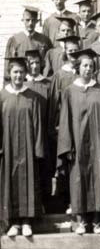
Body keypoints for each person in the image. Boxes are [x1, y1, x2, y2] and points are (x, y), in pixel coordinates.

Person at [57, 48, 100, 235]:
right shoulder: (69, 91)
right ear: (78, 68)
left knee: (97, 180)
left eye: (91, 66)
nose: (88, 69)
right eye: (84, 66)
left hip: (97, 144)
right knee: (78, 181)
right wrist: (67, 146)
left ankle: (97, 222)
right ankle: (81, 221)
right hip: (77, 144)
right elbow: (65, 120)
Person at [0, 56, 44, 237]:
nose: (18, 75)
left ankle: (27, 222)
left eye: (21, 72)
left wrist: (37, 148)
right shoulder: (2, 95)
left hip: (27, 148)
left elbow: (38, 124)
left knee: (28, 182)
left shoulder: (32, 96)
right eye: (15, 72)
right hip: (8, 148)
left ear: (25, 74)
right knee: (10, 183)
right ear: (9, 74)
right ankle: (14, 223)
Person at [48, 36, 81, 187]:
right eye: (70, 51)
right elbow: (54, 103)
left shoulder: (84, 72)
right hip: (65, 122)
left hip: (81, 122)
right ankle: (68, 200)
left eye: (76, 51)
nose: (73, 54)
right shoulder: (59, 75)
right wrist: (55, 125)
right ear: (65, 53)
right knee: (67, 157)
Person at [24, 49, 51, 210]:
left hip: (45, 134)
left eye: (36, 63)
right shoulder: (23, 85)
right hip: (27, 134)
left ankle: (45, 204)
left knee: (44, 170)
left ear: (41, 64)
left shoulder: (47, 84)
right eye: (30, 63)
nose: (34, 66)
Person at [5, 6, 52, 75]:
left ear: (37, 21)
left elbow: (49, 65)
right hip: (21, 80)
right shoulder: (14, 40)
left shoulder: (44, 40)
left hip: (40, 80)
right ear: (22, 20)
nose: (30, 23)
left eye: (33, 20)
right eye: (27, 20)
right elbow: (9, 67)